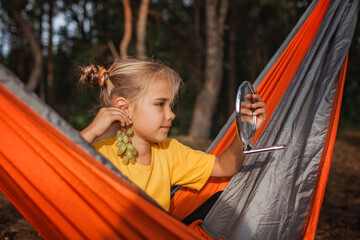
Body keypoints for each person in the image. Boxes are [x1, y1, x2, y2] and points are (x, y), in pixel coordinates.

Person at [79, 58, 266, 212]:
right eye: (160, 104)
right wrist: (91, 131)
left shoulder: (169, 152)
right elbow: (55, 171)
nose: (171, 114)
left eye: (171, 105)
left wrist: (246, 128)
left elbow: (223, 166)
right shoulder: (100, 155)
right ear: (123, 108)